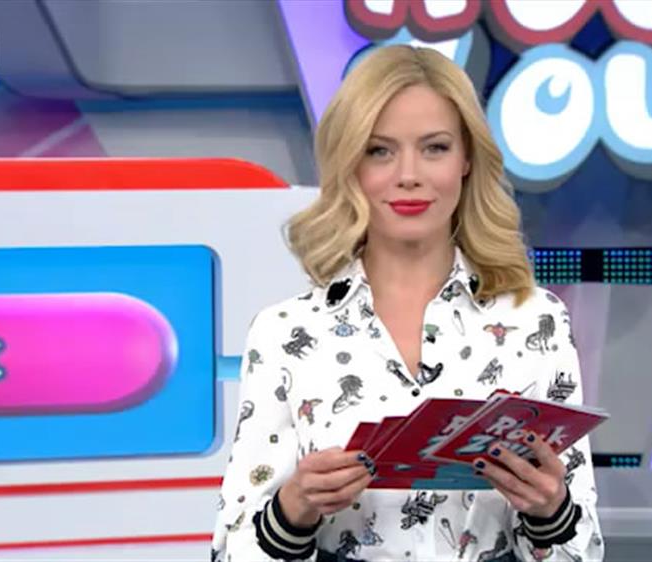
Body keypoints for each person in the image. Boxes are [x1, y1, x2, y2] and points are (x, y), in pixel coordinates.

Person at [211, 45, 603, 562]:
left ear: (466, 160)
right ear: (350, 165)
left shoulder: (536, 320)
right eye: (380, 151)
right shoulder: (285, 332)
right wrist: (293, 510)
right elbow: (232, 550)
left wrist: (551, 511)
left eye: (435, 148)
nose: (409, 175)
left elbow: (582, 551)